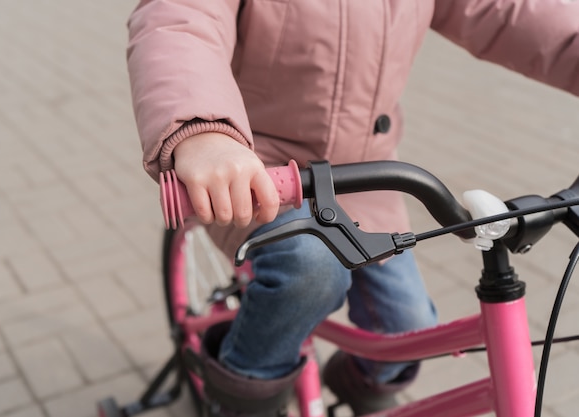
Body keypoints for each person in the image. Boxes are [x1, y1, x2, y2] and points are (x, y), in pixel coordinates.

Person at [126, 1, 579, 416]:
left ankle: (352, 384)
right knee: (310, 270)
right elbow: (182, 20)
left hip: (366, 178)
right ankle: (243, 395)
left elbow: (509, 12)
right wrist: (205, 131)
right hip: (257, 172)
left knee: (409, 327)